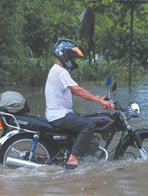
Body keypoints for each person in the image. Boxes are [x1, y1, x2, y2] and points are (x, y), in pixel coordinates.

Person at [45, 38, 115, 169]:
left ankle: (78, 152)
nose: (73, 60)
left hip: (59, 113)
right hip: (59, 115)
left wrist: (98, 97)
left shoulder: (57, 70)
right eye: (72, 57)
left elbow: (76, 91)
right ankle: (73, 158)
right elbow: (78, 91)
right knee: (89, 125)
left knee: (84, 120)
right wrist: (100, 101)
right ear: (64, 55)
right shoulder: (61, 72)